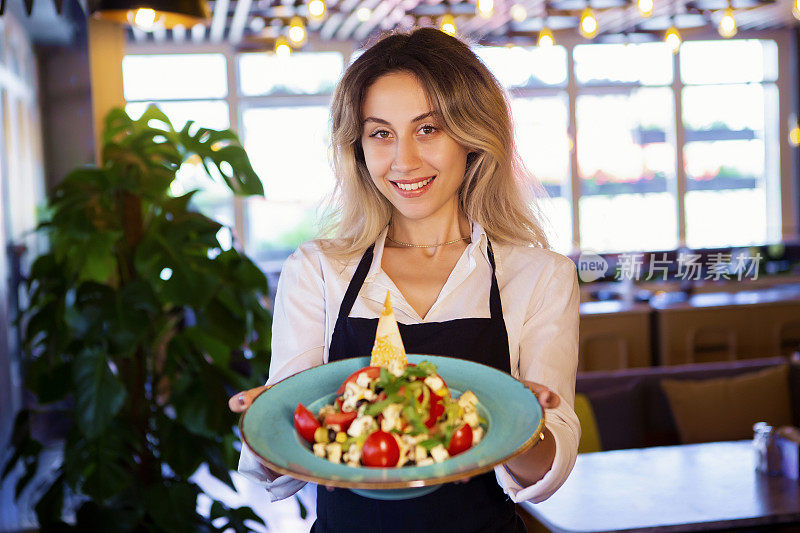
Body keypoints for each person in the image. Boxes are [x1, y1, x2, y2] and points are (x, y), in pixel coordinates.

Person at [228, 27, 580, 532]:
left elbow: (549, 468)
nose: (404, 161)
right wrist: (269, 423)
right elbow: (280, 469)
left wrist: (519, 422)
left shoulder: (541, 275)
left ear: (472, 134)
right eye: (381, 133)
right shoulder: (318, 270)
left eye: (428, 129)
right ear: (358, 146)